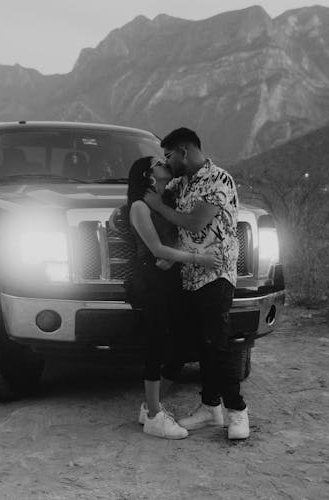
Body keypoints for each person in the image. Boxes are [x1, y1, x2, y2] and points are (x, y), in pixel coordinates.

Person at [143, 127, 249, 440]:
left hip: (216, 271)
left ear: (184, 152)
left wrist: (159, 206)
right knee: (200, 344)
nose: (167, 161)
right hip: (188, 275)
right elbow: (168, 214)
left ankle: (238, 411)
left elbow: (195, 222)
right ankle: (210, 409)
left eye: (169, 155)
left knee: (217, 342)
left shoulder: (219, 179)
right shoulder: (181, 182)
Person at [123, 156, 221, 440]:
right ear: (147, 175)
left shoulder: (167, 199)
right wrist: (196, 258)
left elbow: (176, 235)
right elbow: (155, 249)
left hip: (168, 277)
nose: (164, 162)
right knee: (157, 341)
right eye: (157, 162)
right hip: (149, 279)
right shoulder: (140, 206)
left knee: (180, 341)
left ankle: (149, 406)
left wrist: (176, 254)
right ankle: (154, 416)